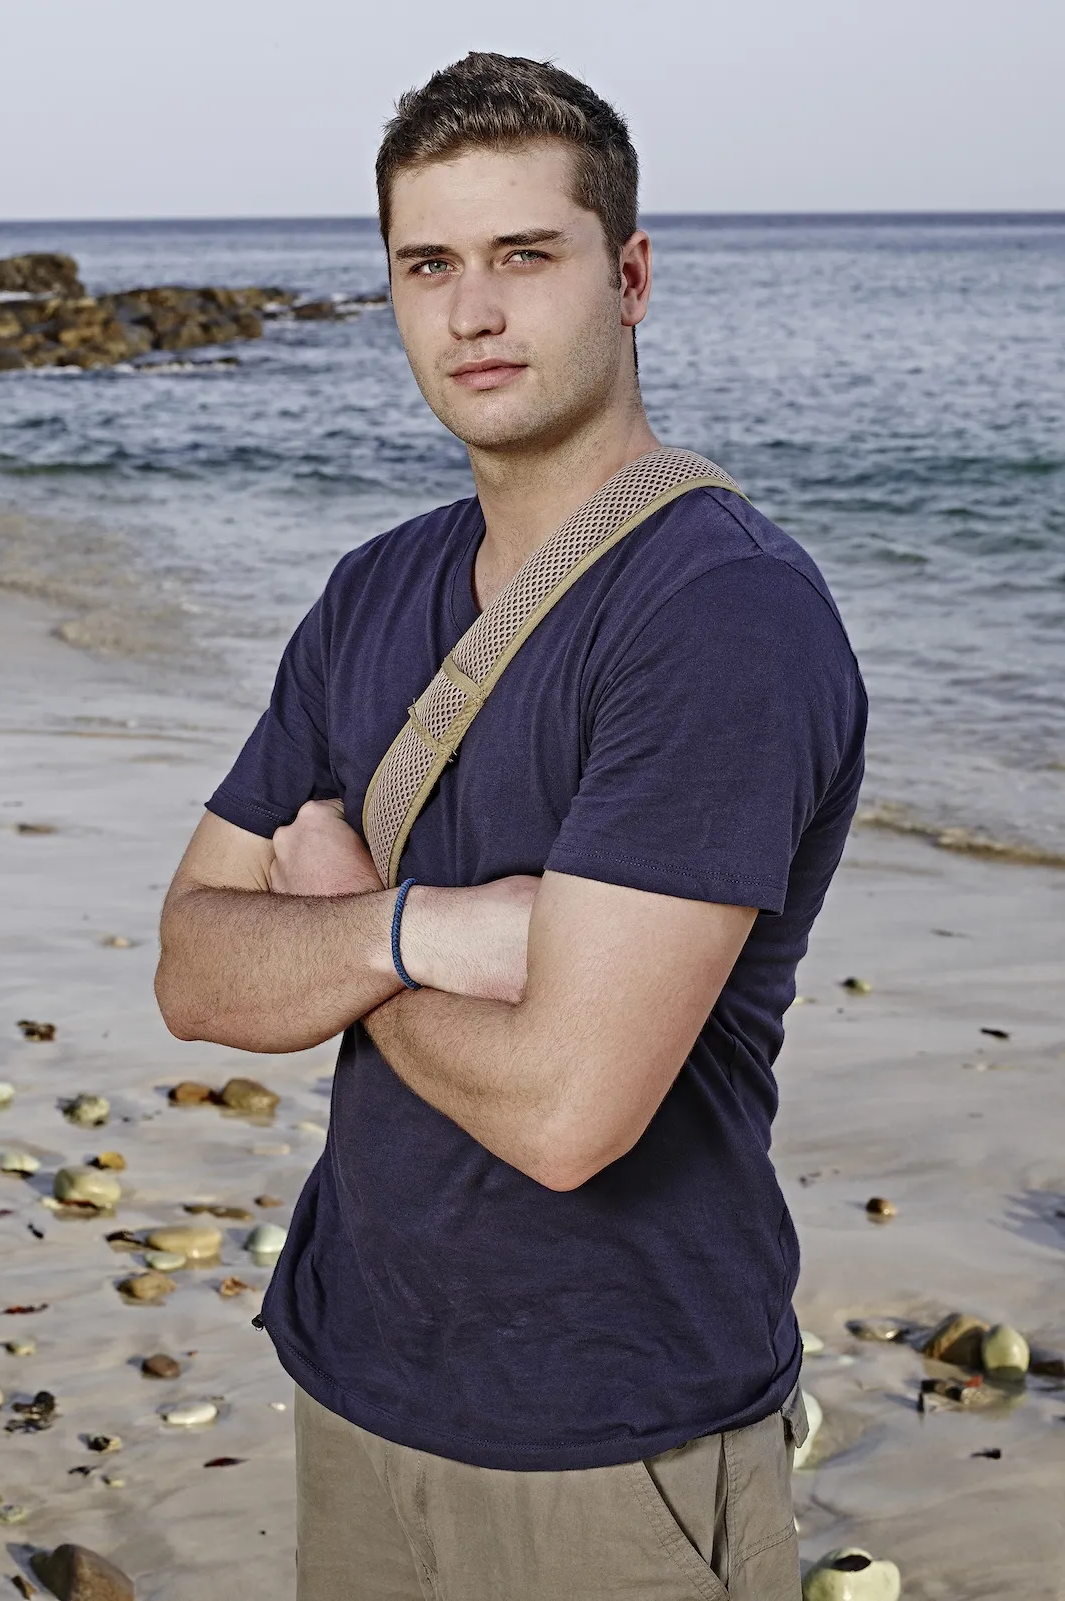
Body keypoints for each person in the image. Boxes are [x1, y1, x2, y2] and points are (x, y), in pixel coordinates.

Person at [155, 50, 867, 1601]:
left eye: (524, 255)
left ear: (631, 278)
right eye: (429, 266)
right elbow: (195, 973)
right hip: (355, 1371)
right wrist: (424, 929)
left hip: (610, 1434)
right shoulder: (372, 591)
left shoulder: (720, 619)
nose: (472, 312)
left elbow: (565, 1117)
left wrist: (340, 931)